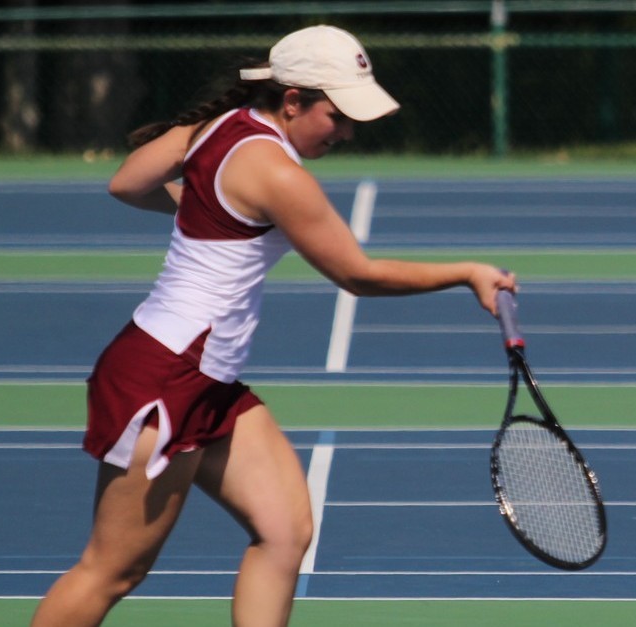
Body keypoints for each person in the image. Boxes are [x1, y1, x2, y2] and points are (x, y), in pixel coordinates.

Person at [30, 25, 517, 627]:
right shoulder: (279, 175)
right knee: (113, 570)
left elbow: (127, 182)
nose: (347, 131)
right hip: (164, 379)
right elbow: (357, 275)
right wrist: (466, 272)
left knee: (286, 530)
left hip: (205, 379)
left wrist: (202, 205)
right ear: (292, 101)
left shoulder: (218, 125)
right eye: (337, 115)